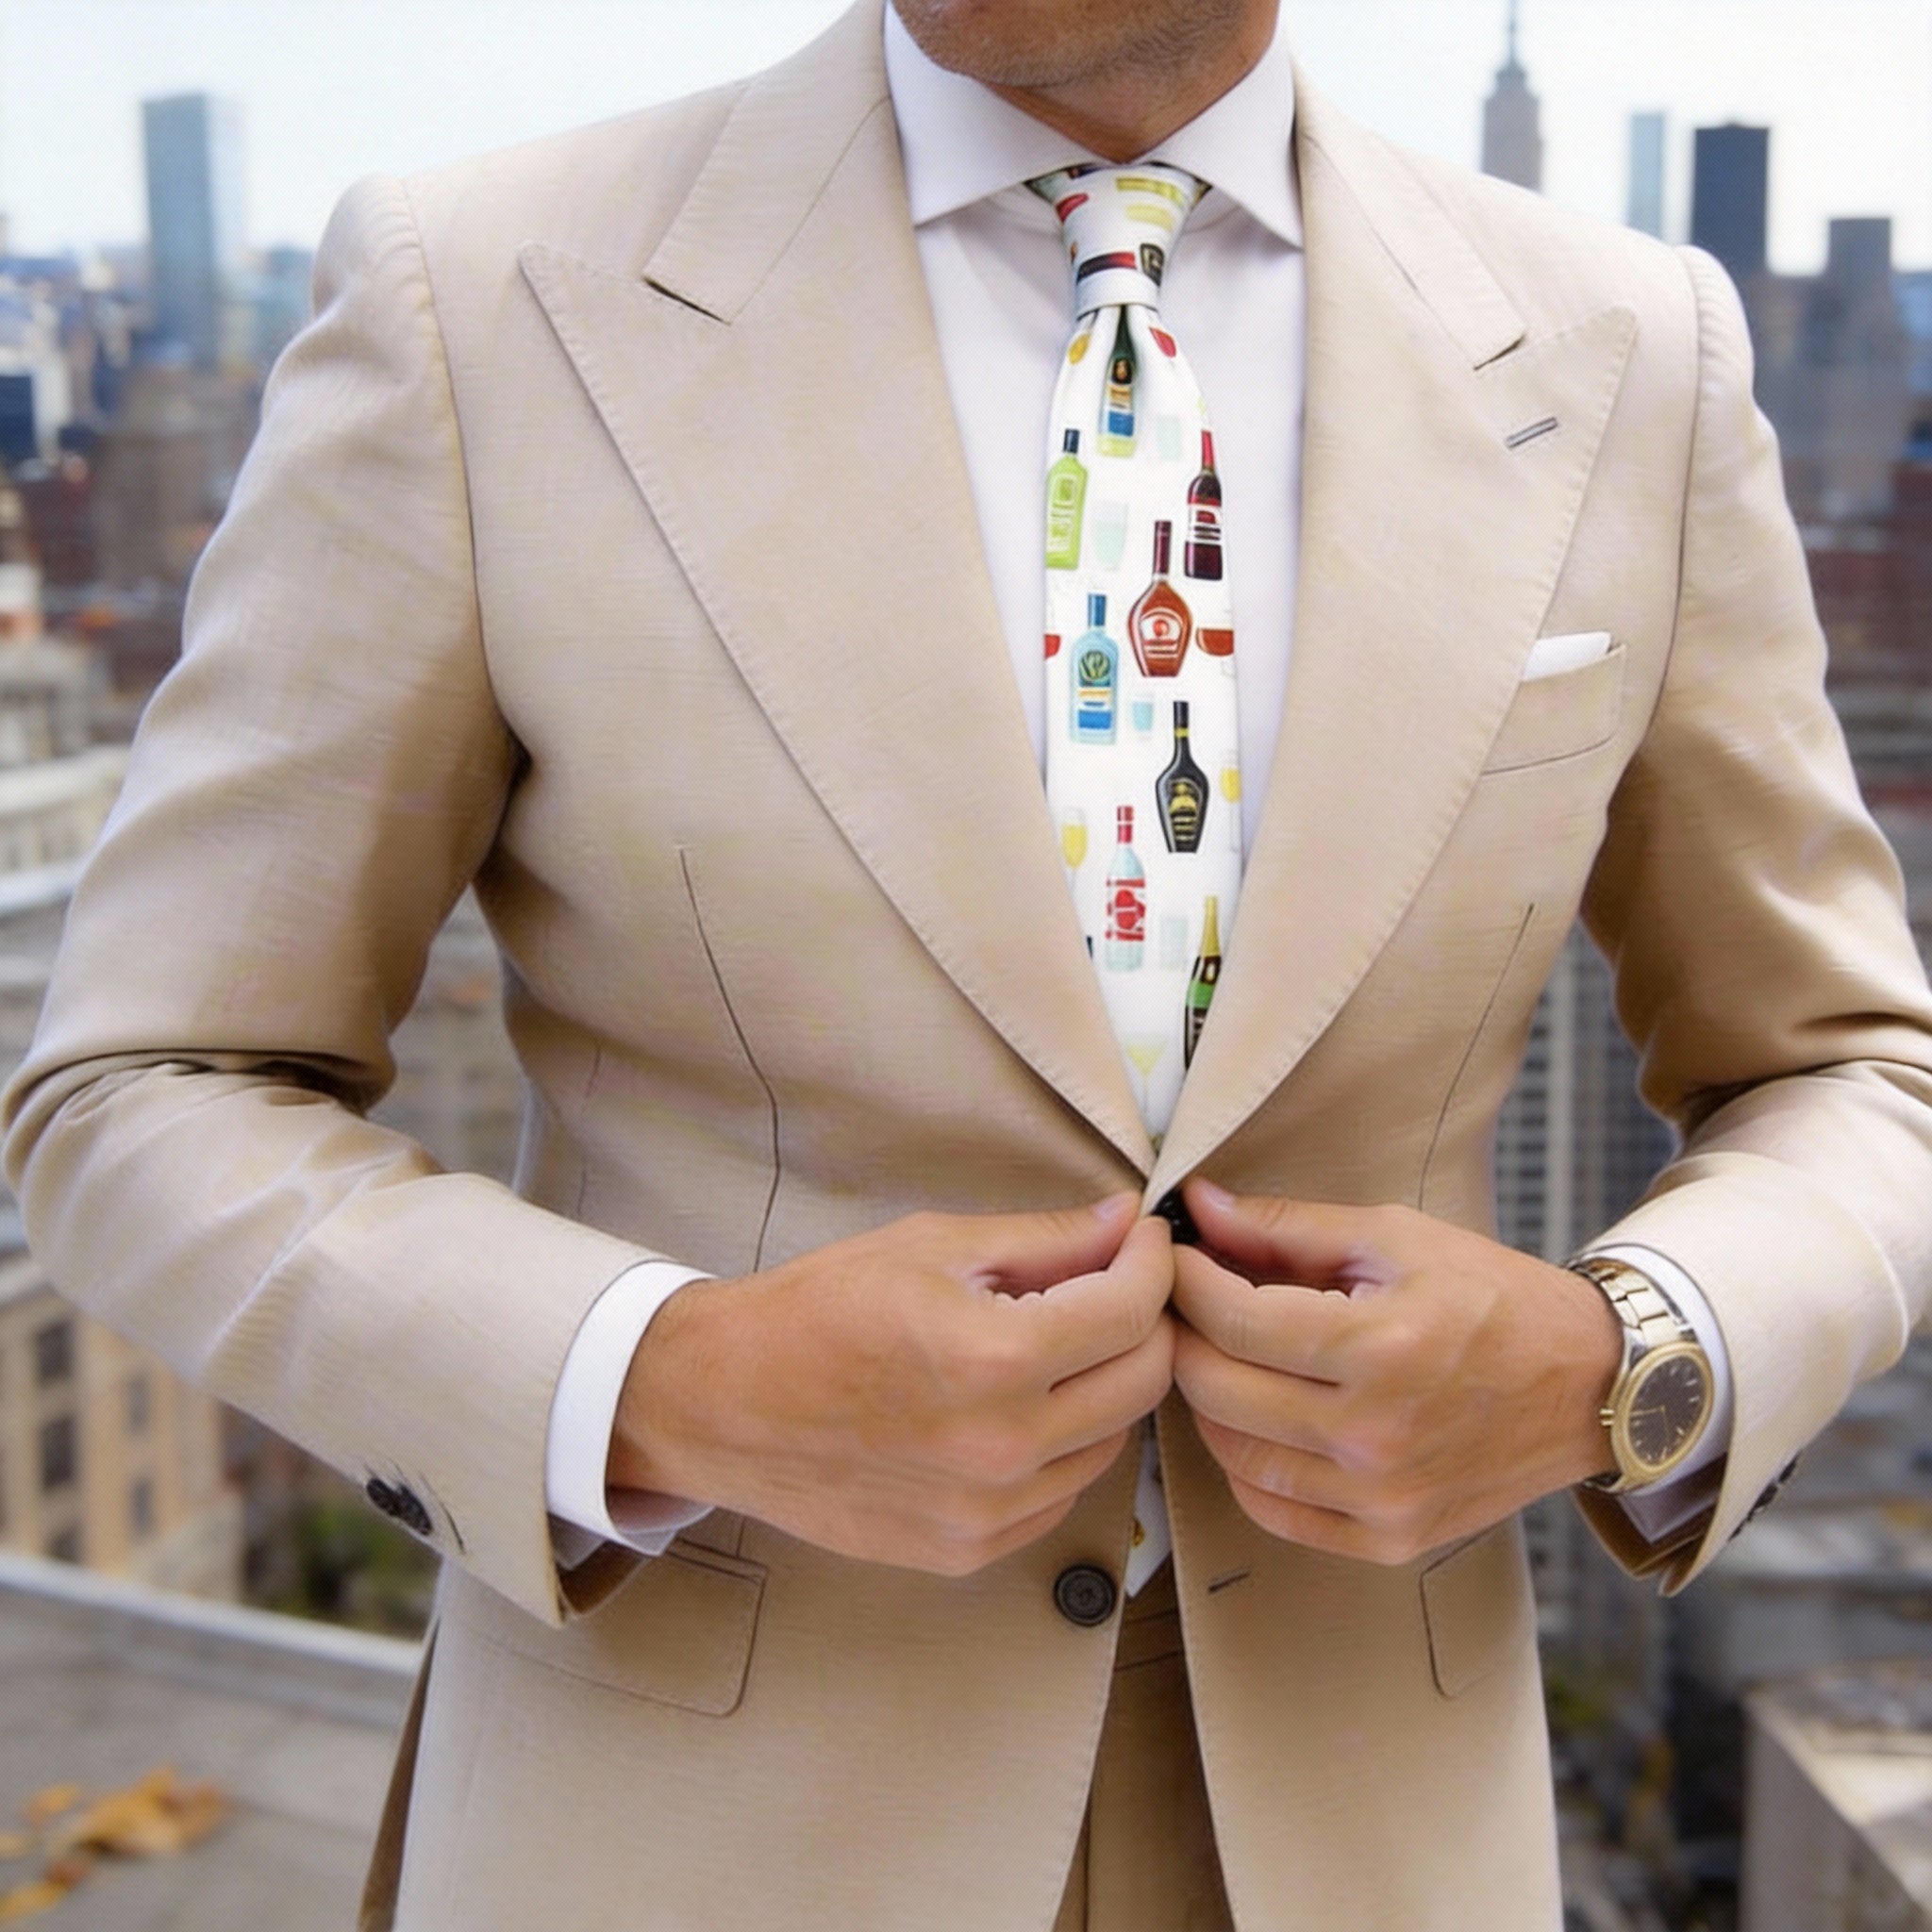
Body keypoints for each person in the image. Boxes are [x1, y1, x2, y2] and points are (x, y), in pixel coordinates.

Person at [8, 0, 1932, 1925]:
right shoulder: (481, 294)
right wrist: (664, 1382)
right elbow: (145, 1085)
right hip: (683, 1831)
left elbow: (1853, 1070)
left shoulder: (1630, 350)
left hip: (1373, 1825)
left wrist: (1624, 1360)